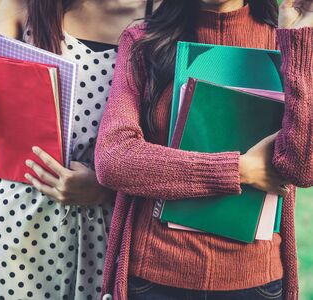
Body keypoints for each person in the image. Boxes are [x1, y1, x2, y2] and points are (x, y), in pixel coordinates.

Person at [0, 0, 160, 298]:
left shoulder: (162, 14)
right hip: (19, 227)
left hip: (113, 228)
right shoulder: (26, 7)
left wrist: (107, 188)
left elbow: (172, 143)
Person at [94, 0, 313, 299]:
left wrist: (299, 38)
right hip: (156, 277)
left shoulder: (287, 42)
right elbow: (114, 159)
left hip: (254, 280)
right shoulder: (144, 42)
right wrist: (240, 170)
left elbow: (303, 168)